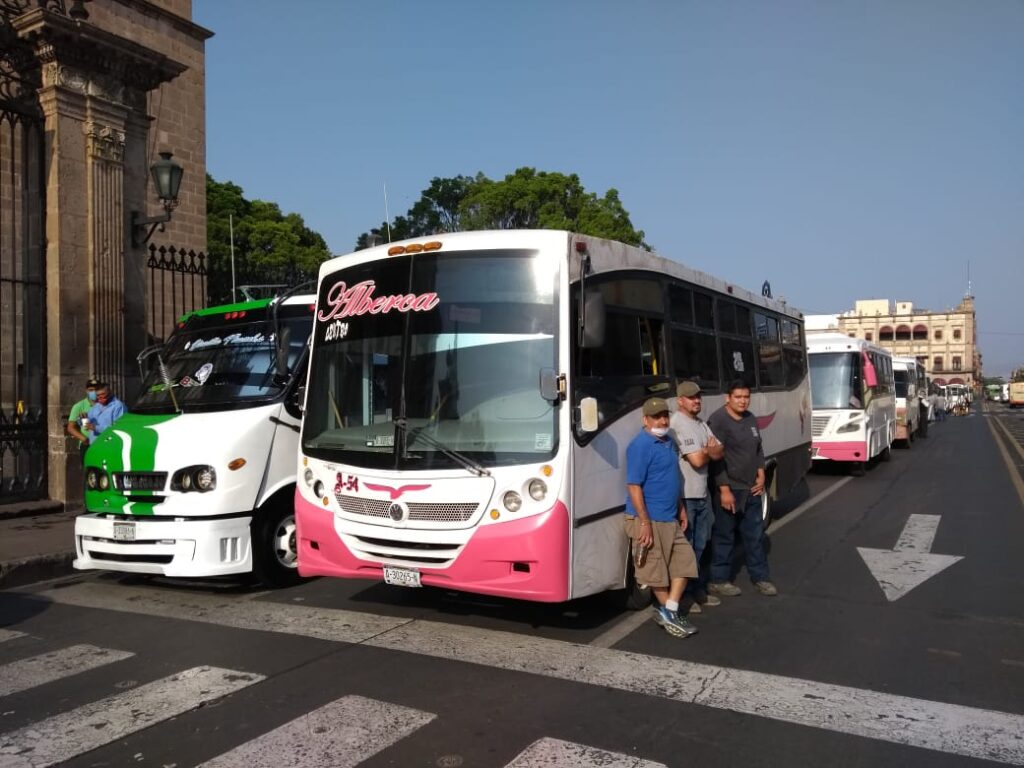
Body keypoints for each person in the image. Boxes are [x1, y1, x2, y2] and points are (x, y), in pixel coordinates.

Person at [625, 397, 699, 638]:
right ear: (645, 420)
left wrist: (680, 507)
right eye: (656, 417)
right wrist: (644, 523)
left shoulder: (668, 442)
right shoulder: (640, 446)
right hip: (650, 519)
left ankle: (669, 609)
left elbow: (671, 478)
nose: (662, 421)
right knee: (654, 572)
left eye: (665, 416)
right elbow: (634, 486)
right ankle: (670, 613)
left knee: (686, 562)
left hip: (669, 517)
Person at [707, 380, 777, 597]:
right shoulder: (718, 420)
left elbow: (758, 448)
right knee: (724, 536)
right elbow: (715, 459)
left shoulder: (750, 418)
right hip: (729, 489)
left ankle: (761, 578)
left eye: (746, 397)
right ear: (727, 398)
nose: (743, 401)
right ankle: (719, 580)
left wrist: (761, 473)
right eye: (738, 397)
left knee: (755, 536)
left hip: (751, 489)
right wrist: (724, 490)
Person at [670, 380, 725, 615]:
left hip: (702, 494)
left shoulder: (701, 424)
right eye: (691, 397)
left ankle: (698, 590)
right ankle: (684, 597)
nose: (697, 400)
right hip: (687, 496)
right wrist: (708, 450)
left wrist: (708, 451)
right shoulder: (677, 424)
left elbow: (720, 450)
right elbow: (698, 461)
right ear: (680, 400)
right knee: (687, 549)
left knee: (701, 546)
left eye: (698, 397)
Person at [67, 376, 100, 459]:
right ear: (86, 391)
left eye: (96, 390)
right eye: (91, 390)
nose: (94, 392)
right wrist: (84, 439)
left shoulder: (105, 405)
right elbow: (71, 427)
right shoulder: (79, 406)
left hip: (103, 442)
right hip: (87, 444)